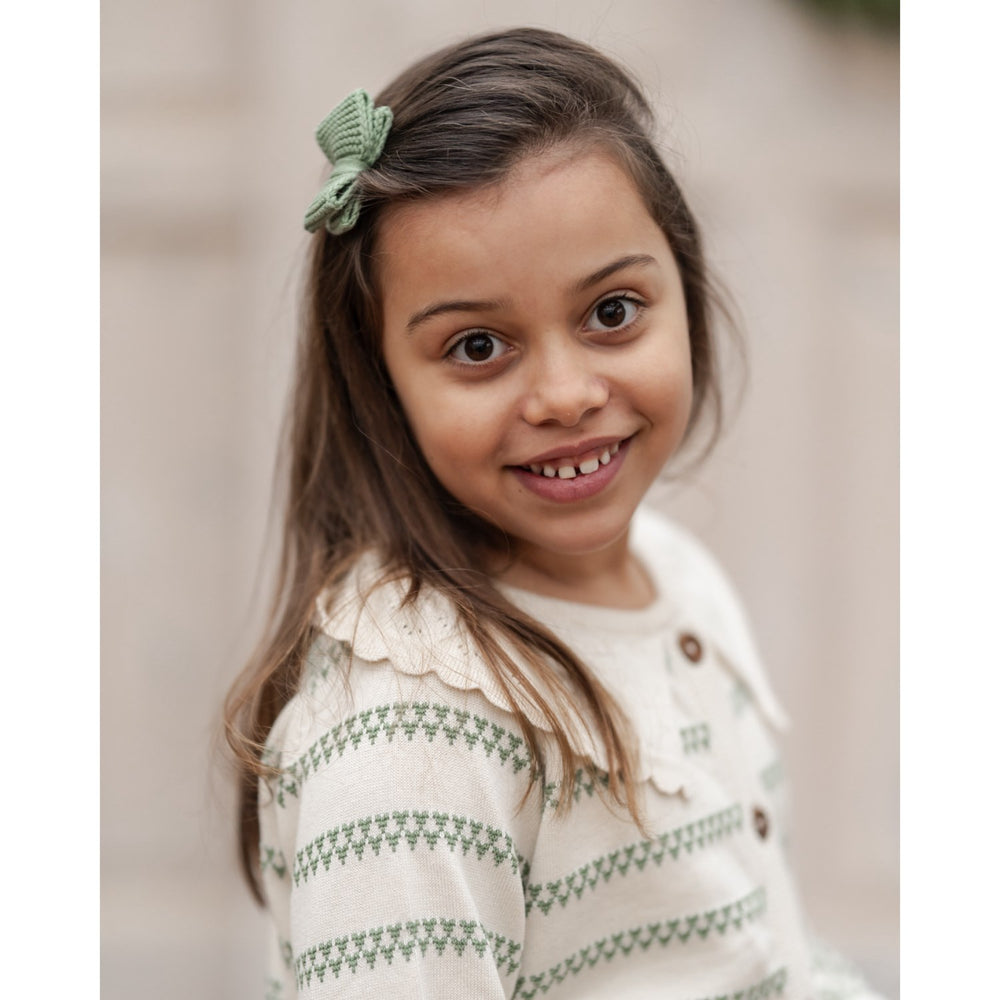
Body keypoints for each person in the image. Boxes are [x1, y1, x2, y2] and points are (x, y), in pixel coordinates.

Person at [225, 27, 885, 1000]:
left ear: (684, 288)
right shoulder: (410, 731)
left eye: (611, 312)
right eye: (478, 345)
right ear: (380, 381)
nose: (566, 395)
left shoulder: (672, 572)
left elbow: (763, 950)